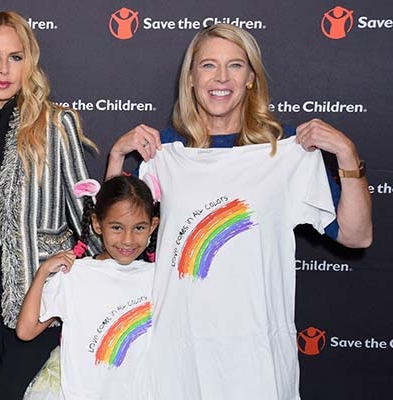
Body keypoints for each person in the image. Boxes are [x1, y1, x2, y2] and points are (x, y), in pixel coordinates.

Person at [106, 24, 372, 400]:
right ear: (192, 78)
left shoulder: (285, 153)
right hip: (179, 355)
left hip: (257, 357)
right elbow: (113, 229)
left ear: (250, 78)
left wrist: (346, 154)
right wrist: (118, 157)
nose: (221, 77)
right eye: (208, 65)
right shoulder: (163, 152)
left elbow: (356, 235)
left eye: (234, 66)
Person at [0, 10, 99, 400]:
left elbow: (87, 215)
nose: (4, 69)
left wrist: (85, 284)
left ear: (28, 63)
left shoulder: (56, 123)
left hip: (39, 301)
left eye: (15, 57)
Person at [16, 175, 159, 400]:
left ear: (153, 226)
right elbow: (26, 330)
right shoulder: (76, 275)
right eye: (117, 228)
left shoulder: (159, 278)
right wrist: (42, 273)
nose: (128, 240)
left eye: (139, 228)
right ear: (96, 223)